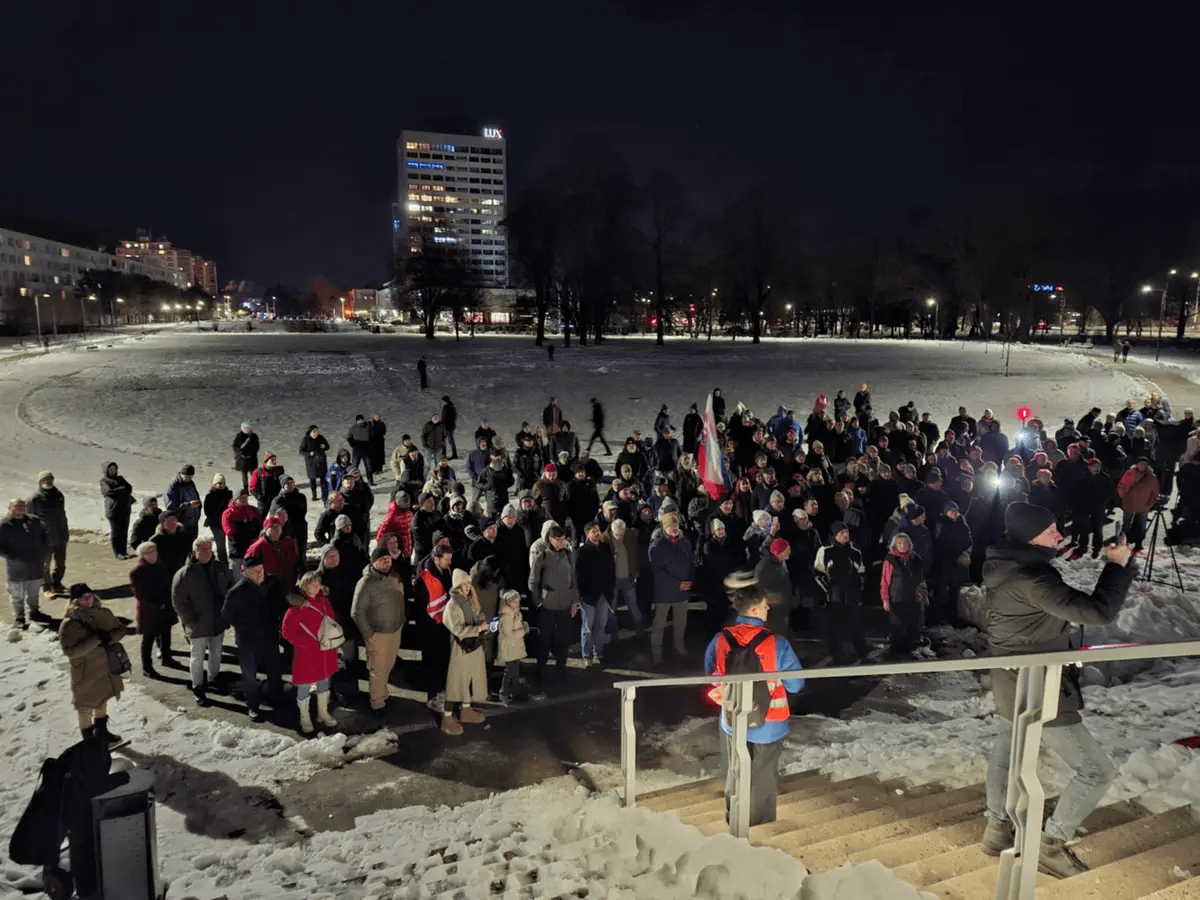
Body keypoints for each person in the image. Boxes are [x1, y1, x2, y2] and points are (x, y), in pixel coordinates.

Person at [980, 501, 1135, 878]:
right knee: (1096, 771)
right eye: (1051, 530)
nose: (1059, 535)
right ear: (1031, 535)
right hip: (1037, 685)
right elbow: (1097, 612)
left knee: (1006, 754)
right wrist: (1117, 566)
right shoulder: (1032, 579)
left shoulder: (1007, 567)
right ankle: (1051, 845)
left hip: (1010, 678)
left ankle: (996, 829)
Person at [704, 572, 805, 827]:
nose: (768, 607)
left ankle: (734, 819)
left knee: (736, 770)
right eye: (763, 605)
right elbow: (796, 685)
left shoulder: (720, 639)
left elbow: (713, 678)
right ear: (754, 609)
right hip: (769, 723)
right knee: (762, 777)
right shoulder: (777, 644)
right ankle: (758, 826)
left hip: (733, 718)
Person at [59, 583, 129, 750]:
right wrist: (95, 640)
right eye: (84, 598)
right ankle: (90, 742)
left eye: (91, 596)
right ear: (76, 601)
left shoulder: (104, 614)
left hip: (105, 667)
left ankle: (102, 733)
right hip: (85, 671)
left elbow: (120, 630)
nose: (89, 600)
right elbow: (70, 651)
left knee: (102, 701)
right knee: (84, 708)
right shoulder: (68, 624)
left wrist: (108, 638)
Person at [221, 555, 284, 723]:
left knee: (274, 669)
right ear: (245, 573)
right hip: (248, 640)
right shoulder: (236, 592)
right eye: (255, 571)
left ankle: (275, 698)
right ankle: (253, 706)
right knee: (249, 675)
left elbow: (281, 605)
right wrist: (243, 625)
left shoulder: (272, 583)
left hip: (269, 636)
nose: (260, 574)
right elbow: (226, 616)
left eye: (261, 569)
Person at [171, 537, 232, 707]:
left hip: (217, 620)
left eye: (209, 548)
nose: (207, 552)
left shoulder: (220, 568)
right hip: (197, 623)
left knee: (216, 651)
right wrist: (189, 620)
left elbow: (230, 588)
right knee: (197, 656)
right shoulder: (185, 574)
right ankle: (197, 685)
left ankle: (214, 677)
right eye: (203, 549)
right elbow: (178, 601)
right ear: (194, 552)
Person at [281, 571, 341, 734]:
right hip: (307, 652)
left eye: (317, 583)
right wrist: (305, 644)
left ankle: (323, 713)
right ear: (304, 587)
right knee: (304, 685)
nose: (315, 585)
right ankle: (304, 717)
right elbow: (287, 632)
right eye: (311, 583)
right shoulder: (297, 607)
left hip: (325, 649)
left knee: (324, 681)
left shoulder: (324, 600)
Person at [351, 546, 406, 720]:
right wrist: (369, 634)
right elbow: (357, 611)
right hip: (378, 633)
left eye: (388, 560)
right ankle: (377, 702)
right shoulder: (366, 583)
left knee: (388, 666)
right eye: (382, 560)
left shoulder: (393, 577)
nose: (386, 563)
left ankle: (383, 694)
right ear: (374, 562)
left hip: (394, 630)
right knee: (378, 669)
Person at [528, 523, 579, 681]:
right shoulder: (541, 556)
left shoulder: (568, 555)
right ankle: (541, 666)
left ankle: (561, 665)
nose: (562, 542)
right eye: (559, 539)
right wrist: (538, 602)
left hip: (564, 603)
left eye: (563, 539)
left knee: (563, 637)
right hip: (547, 605)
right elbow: (533, 582)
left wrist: (574, 602)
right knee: (544, 637)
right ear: (551, 539)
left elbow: (573, 581)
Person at [812, 522, 869, 663]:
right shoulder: (825, 551)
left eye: (846, 532)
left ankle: (862, 653)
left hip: (851, 595)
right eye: (841, 532)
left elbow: (861, 573)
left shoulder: (855, 552)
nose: (845, 535)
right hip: (834, 596)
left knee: (856, 625)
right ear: (834, 535)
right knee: (833, 627)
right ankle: (835, 653)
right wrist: (827, 593)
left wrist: (858, 592)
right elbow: (819, 573)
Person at [442, 569, 489, 734]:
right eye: (464, 583)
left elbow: (477, 614)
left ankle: (466, 710)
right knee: (455, 682)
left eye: (469, 583)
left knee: (469, 679)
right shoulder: (453, 605)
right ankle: (447, 718)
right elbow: (458, 630)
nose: (467, 586)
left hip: (473, 646)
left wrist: (481, 621)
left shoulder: (469, 601)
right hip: (461, 648)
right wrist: (478, 629)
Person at [648, 511, 694, 666]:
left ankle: (679, 646)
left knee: (681, 622)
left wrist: (690, 581)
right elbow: (657, 571)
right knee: (659, 623)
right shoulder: (657, 545)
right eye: (671, 526)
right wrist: (677, 584)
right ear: (664, 527)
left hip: (682, 592)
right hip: (664, 592)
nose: (674, 528)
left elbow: (691, 564)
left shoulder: (685, 543)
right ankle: (657, 653)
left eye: (676, 525)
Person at [0, 497, 49, 628]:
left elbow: (44, 536)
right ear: (10, 508)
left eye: (22, 506)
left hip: (35, 564)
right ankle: (19, 618)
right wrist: (12, 556)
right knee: (17, 594)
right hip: (16, 567)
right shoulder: (4, 525)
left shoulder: (34, 521)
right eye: (17, 506)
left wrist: (42, 552)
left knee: (33, 591)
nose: (20, 509)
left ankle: (34, 612)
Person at [129, 542, 176, 677]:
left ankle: (166, 657)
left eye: (154, 551)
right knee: (148, 638)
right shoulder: (138, 572)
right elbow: (140, 594)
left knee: (166, 632)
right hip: (149, 610)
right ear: (143, 555)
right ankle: (147, 667)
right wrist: (157, 603)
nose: (153, 554)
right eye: (149, 552)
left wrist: (167, 601)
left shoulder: (162, 566)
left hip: (165, 606)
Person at [575, 521, 615, 666]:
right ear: (587, 534)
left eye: (598, 530)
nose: (597, 533)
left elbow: (611, 569)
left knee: (601, 625)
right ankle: (587, 655)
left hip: (603, 594)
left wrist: (610, 589)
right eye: (593, 531)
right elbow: (578, 576)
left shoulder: (605, 548)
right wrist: (581, 595)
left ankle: (598, 652)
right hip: (589, 596)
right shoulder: (582, 552)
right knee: (587, 627)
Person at [880, 532, 924, 658]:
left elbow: (921, 579)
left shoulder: (916, 559)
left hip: (913, 599)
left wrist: (922, 594)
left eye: (905, 542)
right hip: (897, 600)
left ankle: (908, 653)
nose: (903, 545)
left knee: (912, 627)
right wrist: (885, 599)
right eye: (899, 543)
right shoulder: (890, 560)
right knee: (897, 628)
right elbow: (885, 581)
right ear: (895, 545)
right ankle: (895, 655)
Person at [28, 471, 68, 596]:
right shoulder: (34, 499)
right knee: (44, 564)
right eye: (45, 479)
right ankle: (46, 586)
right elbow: (29, 519)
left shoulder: (58, 495)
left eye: (50, 479)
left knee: (60, 563)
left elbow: (63, 514)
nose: (48, 482)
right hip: (43, 537)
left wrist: (65, 532)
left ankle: (57, 583)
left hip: (60, 534)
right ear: (40, 482)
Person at [1116, 458, 1160, 551]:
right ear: (1137, 464)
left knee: (1141, 525)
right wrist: (1124, 497)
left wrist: (1150, 504)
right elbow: (1121, 485)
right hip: (1129, 503)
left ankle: (1138, 543)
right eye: (1140, 463)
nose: (1142, 465)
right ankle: (1125, 542)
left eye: (1144, 464)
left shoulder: (1152, 477)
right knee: (1127, 524)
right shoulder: (1129, 473)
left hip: (1143, 505)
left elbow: (1155, 493)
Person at [496, 588, 529, 702]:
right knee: (511, 672)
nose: (517, 604)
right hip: (509, 648)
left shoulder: (515, 613)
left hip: (514, 648)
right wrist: (523, 630)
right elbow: (509, 633)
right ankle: (506, 692)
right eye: (514, 602)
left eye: (518, 602)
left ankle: (513, 692)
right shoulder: (506, 616)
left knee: (513, 671)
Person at [99, 461, 135, 560]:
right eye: (110, 469)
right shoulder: (104, 481)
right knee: (116, 532)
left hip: (125, 509)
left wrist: (120, 490)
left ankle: (124, 551)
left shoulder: (120, 479)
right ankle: (117, 552)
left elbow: (129, 488)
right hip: (113, 510)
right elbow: (109, 492)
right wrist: (122, 490)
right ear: (106, 470)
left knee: (124, 531)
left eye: (114, 468)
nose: (112, 470)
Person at [164, 464, 203, 539]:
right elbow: (170, 507)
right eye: (186, 476)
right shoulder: (173, 487)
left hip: (193, 522)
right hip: (181, 523)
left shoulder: (191, 484)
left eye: (191, 477)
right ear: (181, 474)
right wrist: (187, 505)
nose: (189, 478)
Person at [203, 474, 233, 566]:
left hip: (228, 523)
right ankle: (223, 564)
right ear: (214, 484)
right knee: (221, 546)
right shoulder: (210, 496)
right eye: (218, 483)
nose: (220, 485)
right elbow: (207, 510)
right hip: (216, 524)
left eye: (222, 483)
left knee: (231, 545)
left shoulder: (229, 494)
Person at [299, 425, 331, 502]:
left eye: (317, 432)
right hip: (311, 463)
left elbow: (327, 446)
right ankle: (314, 495)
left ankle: (324, 494)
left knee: (323, 479)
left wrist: (324, 446)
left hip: (321, 462)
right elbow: (301, 451)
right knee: (312, 480)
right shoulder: (306, 440)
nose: (316, 433)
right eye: (314, 432)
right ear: (310, 432)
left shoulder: (321, 438)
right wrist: (309, 454)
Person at [232, 422, 260, 491]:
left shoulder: (253, 437)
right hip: (242, 460)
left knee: (253, 475)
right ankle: (246, 489)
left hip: (251, 459)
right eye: (244, 428)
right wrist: (240, 453)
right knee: (244, 475)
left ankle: (254, 488)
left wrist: (251, 453)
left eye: (247, 428)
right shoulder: (239, 437)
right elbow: (235, 446)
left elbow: (257, 446)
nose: (246, 430)